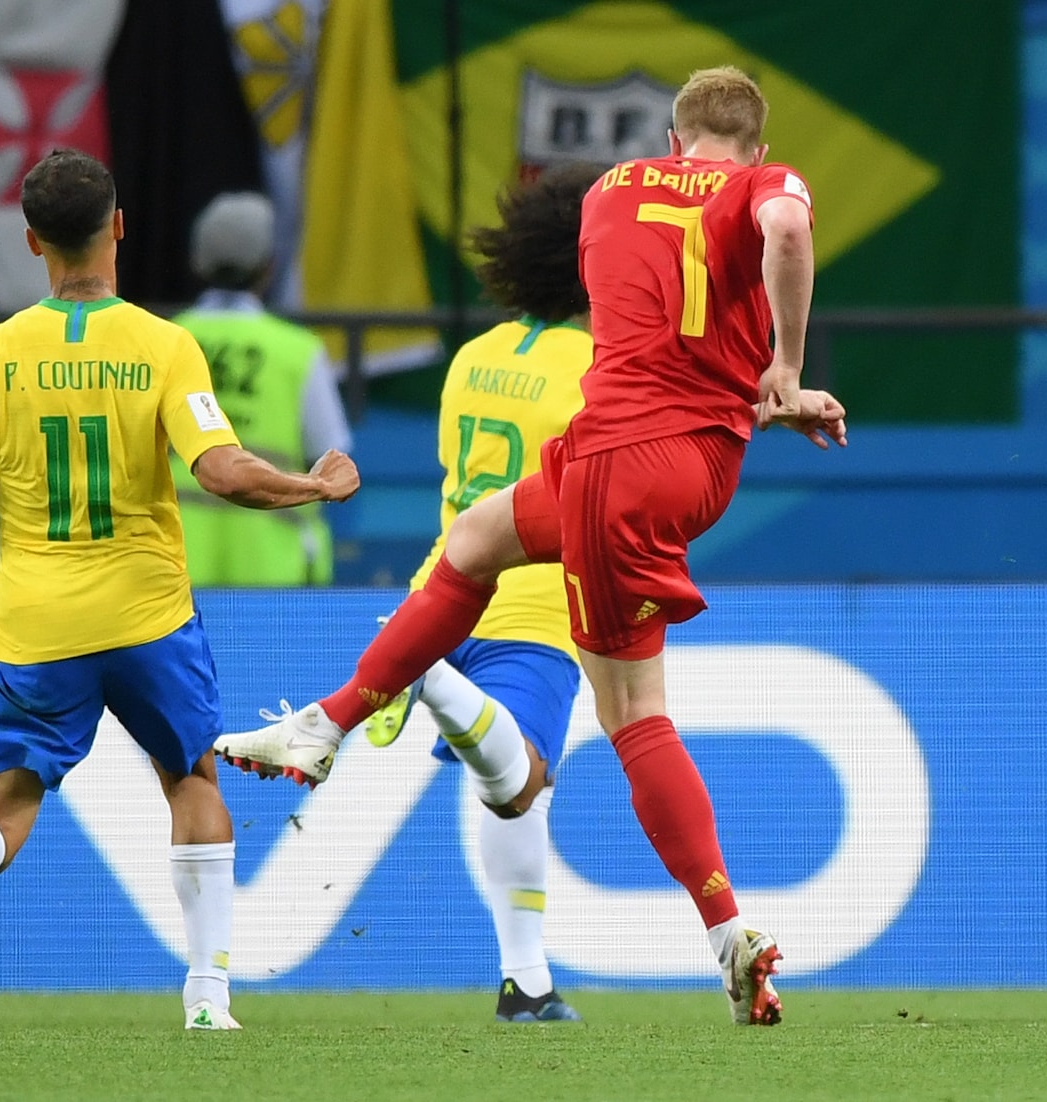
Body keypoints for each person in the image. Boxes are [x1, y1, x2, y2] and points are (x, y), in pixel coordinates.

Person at [213, 67, 848, 1026]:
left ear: (676, 141)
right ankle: (326, 725)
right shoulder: (764, 183)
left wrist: (763, 381)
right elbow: (785, 236)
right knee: (477, 543)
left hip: (615, 465)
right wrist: (785, 375)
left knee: (632, 712)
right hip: (671, 471)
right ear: (751, 148)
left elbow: (642, 333)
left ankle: (723, 928)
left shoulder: (610, 191)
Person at [0, 148, 359, 1030]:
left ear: (33, 238)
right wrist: (310, 487)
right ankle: (208, 996)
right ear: (119, 227)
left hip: (33, 622)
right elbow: (225, 471)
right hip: (146, 615)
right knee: (192, 779)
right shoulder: (163, 345)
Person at [344, 161, 606, 1024]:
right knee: (522, 780)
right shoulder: (600, 367)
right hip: (532, 600)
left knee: (522, 792)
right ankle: (430, 681)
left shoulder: (474, 358)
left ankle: (525, 982)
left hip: (440, 588)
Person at [169, 192, 352, 586]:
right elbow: (334, 457)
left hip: (171, 573)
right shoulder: (297, 352)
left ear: (196, 261)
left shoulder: (163, 341)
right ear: (269, 266)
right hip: (274, 576)